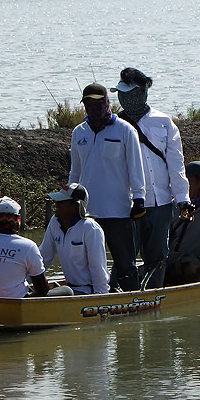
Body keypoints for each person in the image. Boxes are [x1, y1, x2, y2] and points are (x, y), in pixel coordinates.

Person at [111, 67, 190, 289]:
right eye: (121, 92)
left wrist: (183, 198)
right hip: (128, 206)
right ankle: (117, 296)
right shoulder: (114, 126)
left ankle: (154, 293)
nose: (124, 97)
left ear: (144, 91)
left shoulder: (164, 122)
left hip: (162, 203)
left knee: (157, 257)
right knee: (124, 256)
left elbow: (176, 164)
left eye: (130, 91)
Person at [69, 82, 146, 291]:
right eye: (88, 104)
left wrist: (139, 198)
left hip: (118, 211)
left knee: (125, 263)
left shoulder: (125, 130)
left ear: (106, 102)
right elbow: (75, 171)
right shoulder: (79, 133)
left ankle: (132, 298)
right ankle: (92, 297)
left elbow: (135, 167)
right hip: (87, 213)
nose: (92, 108)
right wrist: (69, 195)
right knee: (88, 263)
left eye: (97, 103)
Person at [0, 196, 49, 298]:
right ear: (17, 220)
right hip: (16, 306)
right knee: (66, 290)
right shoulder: (28, 246)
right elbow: (42, 289)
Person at [39, 183, 110, 295]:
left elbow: (98, 268)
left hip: (87, 291)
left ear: (76, 206)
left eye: (62, 202)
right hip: (70, 288)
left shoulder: (90, 228)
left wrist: (101, 297)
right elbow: (44, 257)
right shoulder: (54, 222)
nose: (57, 204)